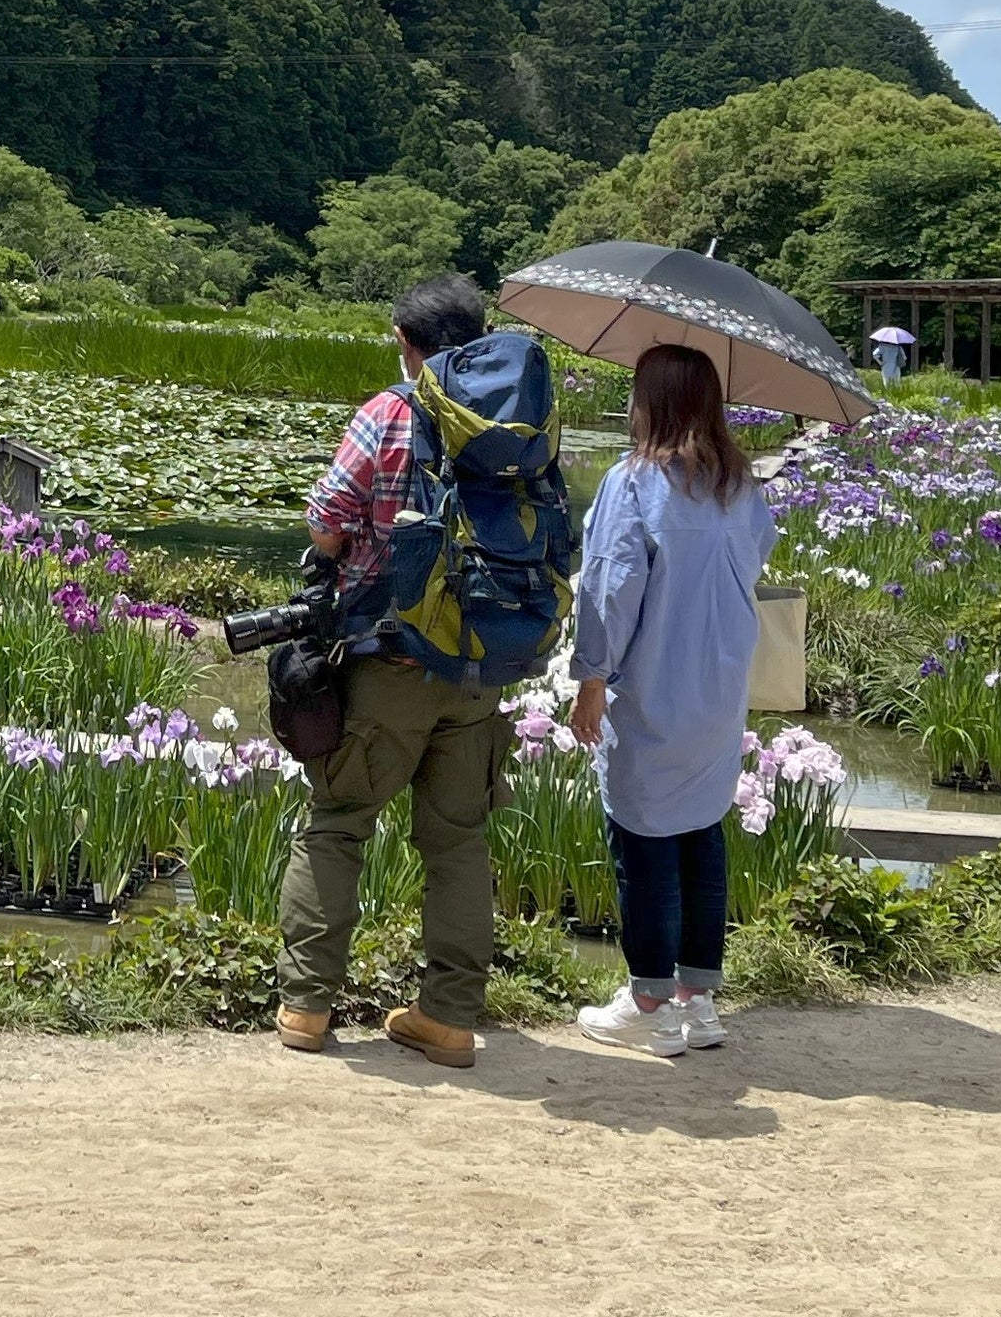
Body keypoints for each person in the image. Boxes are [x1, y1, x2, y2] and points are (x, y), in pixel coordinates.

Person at [275, 274, 572, 1072]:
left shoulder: (389, 412)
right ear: (476, 336)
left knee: (338, 824)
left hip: (389, 662)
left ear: (404, 341)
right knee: (458, 841)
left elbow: (327, 524)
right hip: (482, 663)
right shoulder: (525, 425)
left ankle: (307, 1005)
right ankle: (448, 1017)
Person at [568, 342, 778, 1058]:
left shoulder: (633, 483)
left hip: (656, 677)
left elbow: (609, 586)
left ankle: (649, 1002)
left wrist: (591, 676)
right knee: (700, 830)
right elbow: (756, 556)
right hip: (721, 684)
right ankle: (700, 999)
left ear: (650, 400)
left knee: (644, 834)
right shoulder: (739, 485)